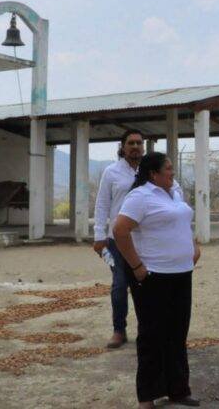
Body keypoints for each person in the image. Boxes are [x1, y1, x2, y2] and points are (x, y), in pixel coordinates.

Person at [113, 151, 201, 408]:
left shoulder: (174, 193)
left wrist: (194, 246)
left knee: (177, 333)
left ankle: (178, 390)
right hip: (154, 276)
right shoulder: (140, 196)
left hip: (181, 274)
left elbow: (183, 222)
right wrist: (137, 266)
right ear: (154, 174)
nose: (173, 172)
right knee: (152, 335)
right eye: (169, 169)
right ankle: (147, 396)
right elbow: (120, 230)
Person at [92, 129, 145, 349]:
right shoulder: (111, 172)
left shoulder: (150, 171)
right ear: (122, 147)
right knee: (120, 285)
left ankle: (147, 330)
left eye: (139, 143)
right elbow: (102, 204)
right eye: (131, 143)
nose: (135, 146)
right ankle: (119, 330)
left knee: (146, 287)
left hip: (144, 238)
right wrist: (99, 235)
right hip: (118, 239)